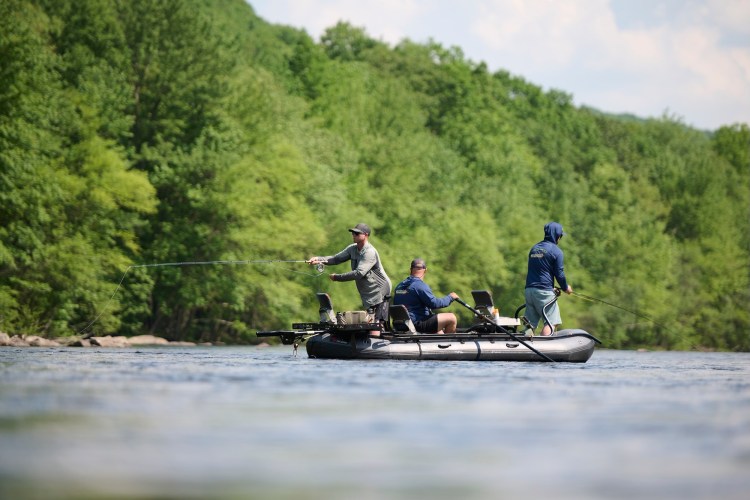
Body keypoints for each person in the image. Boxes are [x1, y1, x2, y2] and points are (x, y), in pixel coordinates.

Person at [307, 223, 392, 330]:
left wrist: (337, 277)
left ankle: (377, 335)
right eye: (353, 233)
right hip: (368, 291)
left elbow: (359, 273)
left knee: (377, 323)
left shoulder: (369, 252)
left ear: (366, 235)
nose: (353, 235)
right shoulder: (352, 249)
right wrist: (319, 259)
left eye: (357, 233)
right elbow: (336, 259)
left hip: (380, 290)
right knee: (371, 320)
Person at [524, 221, 573, 336]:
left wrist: (551, 288)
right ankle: (544, 344)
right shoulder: (556, 252)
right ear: (557, 235)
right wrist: (565, 288)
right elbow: (559, 274)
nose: (560, 238)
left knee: (529, 324)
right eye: (560, 236)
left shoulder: (534, 249)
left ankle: (525, 343)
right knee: (551, 322)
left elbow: (539, 272)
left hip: (529, 291)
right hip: (544, 292)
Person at [393, 258, 459, 333]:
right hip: (415, 324)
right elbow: (434, 304)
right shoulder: (419, 285)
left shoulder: (399, 286)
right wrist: (450, 297)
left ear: (410, 269)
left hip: (400, 325)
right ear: (425, 270)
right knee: (451, 318)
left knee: (440, 332)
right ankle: (450, 340)